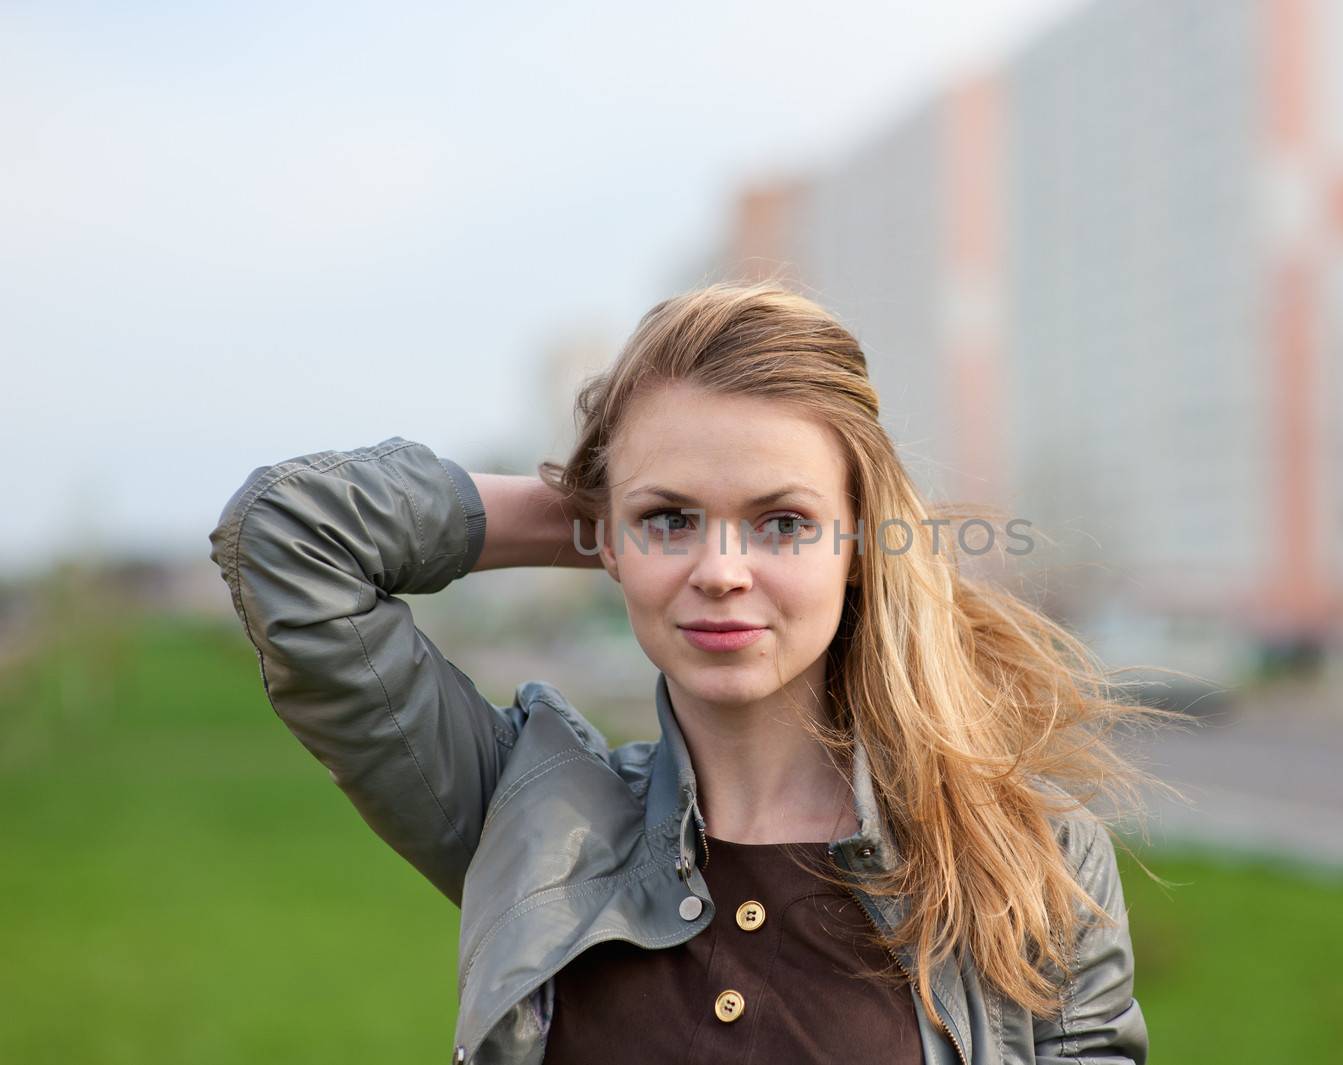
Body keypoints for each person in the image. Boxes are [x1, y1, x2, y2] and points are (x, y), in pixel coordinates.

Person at [208, 282, 1155, 1064]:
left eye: (782, 521)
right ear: (605, 539)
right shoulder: (528, 820)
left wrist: (656, 504)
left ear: (860, 544)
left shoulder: (1029, 861)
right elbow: (289, 540)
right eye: (673, 521)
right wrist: (609, 508)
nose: (721, 569)